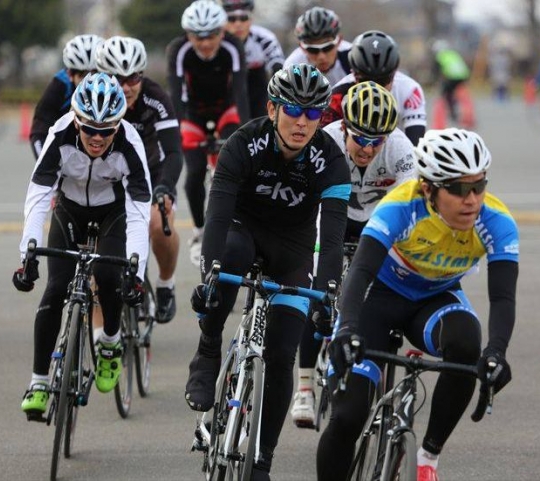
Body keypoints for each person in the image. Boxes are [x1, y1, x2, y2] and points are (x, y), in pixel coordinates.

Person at [316, 128, 519, 481]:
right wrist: (346, 329)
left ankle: (427, 458)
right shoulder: (400, 206)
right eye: (457, 189)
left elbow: (502, 296)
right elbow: (361, 272)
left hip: (434, 299)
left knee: (467, 343)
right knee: (348, 417)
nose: (471, 199)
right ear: (428, 188)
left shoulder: (496, 221)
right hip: (377, 297)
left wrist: (496, 353)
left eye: (478, 186)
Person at [184, 63, 350, 480]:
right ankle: (207, 353)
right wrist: (209, 274)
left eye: (314, 113)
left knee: (281, 354)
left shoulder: (331, 161)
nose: (302, 121)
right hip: (242, 229)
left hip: (292, 248)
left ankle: (263, 460)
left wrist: (328, 293)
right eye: (293, 110)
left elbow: (330, 240)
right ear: (272, 108)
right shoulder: (243, 142)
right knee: (230, 260)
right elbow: (216, 215)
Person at [13, 73, 152, 418]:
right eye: (89, 129)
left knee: (109, 274)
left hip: (113, 214)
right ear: (76, 119)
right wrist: (26, 255)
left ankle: (109, 341)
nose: (97, 138)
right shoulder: (59, 134)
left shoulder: (131, 144)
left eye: (107, 131)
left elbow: (138, 214)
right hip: (70, 209)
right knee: (55, 287)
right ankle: (39, 382)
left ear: (119, 126)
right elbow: (38, 195)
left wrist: (137, 272)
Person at [291, 81, 416, 428]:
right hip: (331, 217)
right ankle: (304, 386)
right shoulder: (326, 139)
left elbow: (412, 207)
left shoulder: (400, 148)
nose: (367, 148)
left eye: (376, 141)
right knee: (320, 292)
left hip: (377, 223)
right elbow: (306, 199)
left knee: (384, 295)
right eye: (360, 138)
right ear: (345, 127)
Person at [97, 36, 183, 323]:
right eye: (117, 78)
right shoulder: (95, 96)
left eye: (133, 77)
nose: (125, 87)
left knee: (160, 221)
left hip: (152, 175)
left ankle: (166, 284)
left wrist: (166, 188)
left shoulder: (155, 98)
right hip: (110, 178)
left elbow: (173, 152)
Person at [166, 0, 249, 265]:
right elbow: (176, 96)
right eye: (197, 37)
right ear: (187, 35)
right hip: (194, 115)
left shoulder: (233, 47)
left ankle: (236, 222)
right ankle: (200, 231)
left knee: (232, 164)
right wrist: (175, 135)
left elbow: (240, 92)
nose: (205, 43)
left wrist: (246, 132)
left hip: (226, 110)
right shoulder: (178, 50)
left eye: (212, 35)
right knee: (193, 176)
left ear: (222, 31)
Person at [321, 30, 427, 146]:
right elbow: (325, 144)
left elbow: (416, 145)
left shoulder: (410, 91)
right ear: (353, 75)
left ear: (394, 74)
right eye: (367, 81)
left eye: (382, 81)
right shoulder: (338, 95)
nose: (375, 88)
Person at [29, 34, 103, 159]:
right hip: (66, 150)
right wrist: (45, 163)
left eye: (96, 74)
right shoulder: (60, 85)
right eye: (83, 76)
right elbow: (39, 130)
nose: (90, 82)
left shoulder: (117, 87)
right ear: (70, 74)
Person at [221, 0, 285, 119]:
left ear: (251, 20)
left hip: (256, 90)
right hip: (225, 89)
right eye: (232, 19)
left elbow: (278, 68)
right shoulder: (218, 40)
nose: (238, 24)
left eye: (244, 18)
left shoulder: (264, 38)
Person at [283, 6, 351, 87]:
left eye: (327, 47)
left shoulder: (353, 56)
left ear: (339, 41)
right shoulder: (293, 66)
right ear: (302, 47)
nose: (321, 57)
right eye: (313, 50)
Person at [432, 40, 472, 127]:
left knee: (446, 95)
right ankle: (465, 114)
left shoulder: (440, 56)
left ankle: (453, 111)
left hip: (452, 77)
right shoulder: (453, 54)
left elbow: (437, 70)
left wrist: (436, 81)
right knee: (460, 95)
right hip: (463, 76)